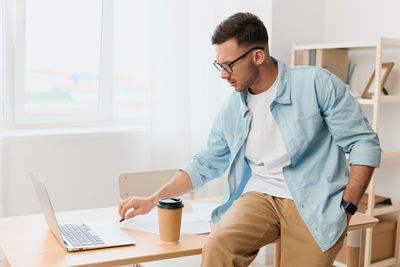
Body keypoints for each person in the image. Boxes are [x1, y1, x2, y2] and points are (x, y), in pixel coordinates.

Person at [118, 12, 381, 267]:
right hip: (260, 196)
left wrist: (347, 208)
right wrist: (153, 199)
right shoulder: (233, 107)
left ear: (258, 56)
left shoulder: (317, 84)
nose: (223, 74)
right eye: (219, 65)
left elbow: (363, 144)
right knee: (218, 247)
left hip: (314, 199)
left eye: (228, 65)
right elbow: (206, 162)